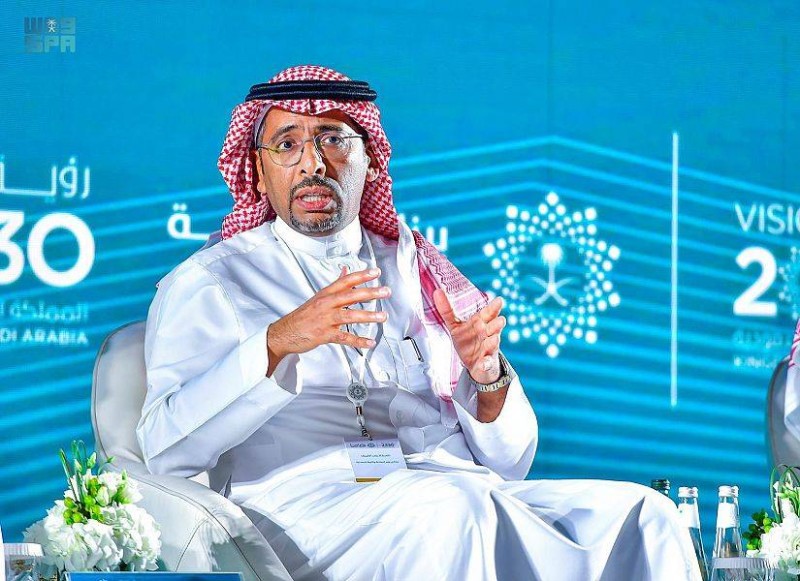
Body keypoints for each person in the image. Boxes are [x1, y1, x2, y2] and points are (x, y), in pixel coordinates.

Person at [137, 65, 700, 580]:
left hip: (445, 483)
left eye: (333, 140)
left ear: (371, 161)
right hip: (306, 509)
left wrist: (486, 378)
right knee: (452, 512)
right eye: (287, 145)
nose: (313, 165)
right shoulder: (211, 281)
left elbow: (511, 462)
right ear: (259, 173)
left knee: (644, 514)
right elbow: (164, 448)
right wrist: (278, 342)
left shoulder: (418, 268)